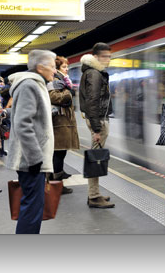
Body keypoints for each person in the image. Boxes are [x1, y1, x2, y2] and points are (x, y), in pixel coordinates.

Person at [6, 50, 56, 234]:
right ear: (40, 67)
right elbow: (23, 124)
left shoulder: (35, 85)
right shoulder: (29, 85)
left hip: (32, 158)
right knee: (32, 209)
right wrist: (35, 158)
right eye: (52, 66)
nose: (55, 70)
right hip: (31, 159)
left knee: (33, 207)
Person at [79, 43, 115, 209]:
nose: (108, 59)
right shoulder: (94, 73)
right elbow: (92, 101)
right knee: (96, 158)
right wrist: (96, 128)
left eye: (109, 56)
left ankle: (94, 193)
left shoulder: (91, 71)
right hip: (98, 119)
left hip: (98, 118)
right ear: (95, 57)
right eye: (105, 56)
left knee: (96, 156)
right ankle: (93, 196)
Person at [47, 56, 80, 195]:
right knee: (58, 154)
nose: (67, 69)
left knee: (60, 153)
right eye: (64, 67)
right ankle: (57, 185)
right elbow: (54, 97)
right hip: (59, 124)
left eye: (67, 67)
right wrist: (68, 93)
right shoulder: (56, 81)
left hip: (63, 123)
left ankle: (54, 182)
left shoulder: (63, 82)